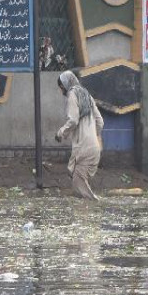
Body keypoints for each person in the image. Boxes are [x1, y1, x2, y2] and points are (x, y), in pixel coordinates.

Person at [55, 70, 104, 201]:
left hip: (83, 149)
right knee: (80, 186)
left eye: (61, 88)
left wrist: (61, 133)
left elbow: (73, 120)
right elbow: (100, 121)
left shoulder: (72, 94)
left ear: (65, 85)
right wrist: (95, 136)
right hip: (94, 149)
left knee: (81, 189)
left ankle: (95, 209)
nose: (61, 91)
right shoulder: (87, 95)